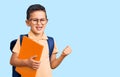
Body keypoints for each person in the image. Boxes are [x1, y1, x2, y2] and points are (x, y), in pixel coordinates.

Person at [10, 4, 72, 77]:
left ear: (46, 21)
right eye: (35, 20)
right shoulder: (23, 40)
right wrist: (26, 62)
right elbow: (12, 61)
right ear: (27, 23)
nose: (39, 23)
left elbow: (52, 65)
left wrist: (62, 55)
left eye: (42, 20)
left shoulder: (50, 41)